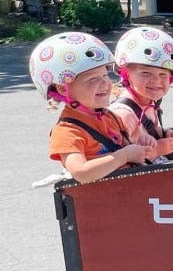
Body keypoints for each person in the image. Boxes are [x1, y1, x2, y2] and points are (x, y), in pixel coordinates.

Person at [29, 32, 152, 183]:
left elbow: (128, 146)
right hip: (102, 201)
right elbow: (81, 172)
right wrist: (124, 156)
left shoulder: (110, 117)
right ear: (62, 89)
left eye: (105, 75)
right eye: (92, 78)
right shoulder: (67, 131)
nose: (105, 83)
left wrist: (142, 141)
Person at [109, 26, 173, 161]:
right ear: (126, 74)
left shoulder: (147, 103)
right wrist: (158, 149)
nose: (156, 80)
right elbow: (126, 161)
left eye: (163, 74)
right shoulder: (124, 114)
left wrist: (164, 133)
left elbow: (146, 131)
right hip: (147, 172)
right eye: (146, 73)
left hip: (158, 160)